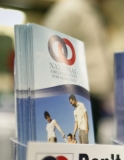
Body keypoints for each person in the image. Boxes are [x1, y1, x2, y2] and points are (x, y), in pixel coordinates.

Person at [43, 0, 113, 142]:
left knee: (88, 152)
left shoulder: (92, 12)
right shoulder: (70, 9)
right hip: (79, 93)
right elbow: (47, 44)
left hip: (93, 96)